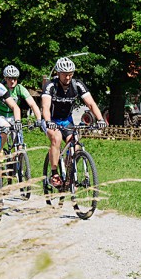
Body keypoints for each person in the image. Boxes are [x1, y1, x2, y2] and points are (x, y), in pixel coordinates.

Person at [42, 57, 106, 188]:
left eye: (70, 74)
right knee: (56, 138)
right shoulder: (50, 86)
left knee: (75, 145)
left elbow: (91, 103)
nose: (68, 77)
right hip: (51, 120)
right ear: (58, 73)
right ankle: (54, 174)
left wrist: (100, 119)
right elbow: (46, 107)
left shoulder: (77, 85)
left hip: (67, 121)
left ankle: (69, 173)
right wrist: (48, 122)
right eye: (65, 74)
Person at [0, 65, 44, 148]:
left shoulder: (19, 89)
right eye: (9, 78)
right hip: (0, 115)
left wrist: (39, 118)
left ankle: (18, 157)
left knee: (19, 143)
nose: (12, 81)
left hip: (13, 116)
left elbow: (32, 104)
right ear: (5, 78)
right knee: (4, 131)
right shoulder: (0, 88)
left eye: (15, 78)